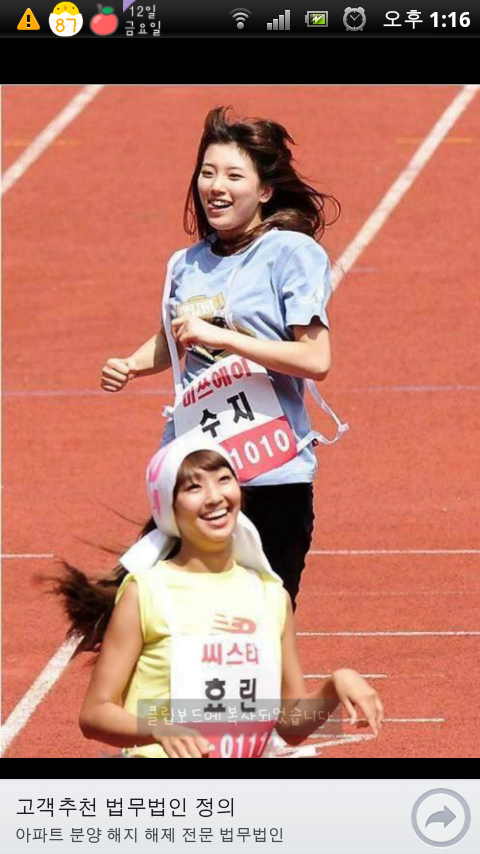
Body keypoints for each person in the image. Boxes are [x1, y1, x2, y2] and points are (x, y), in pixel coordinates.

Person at [101, 105, 348, 609]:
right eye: (207, 173)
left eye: (234, 175)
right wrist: (131, 364)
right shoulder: (185, 264)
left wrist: (226, 337)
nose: (216, 186)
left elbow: (315, 359)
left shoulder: (291, 253)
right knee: (156, 606)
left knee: (259, 620)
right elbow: (173, 338)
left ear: (265, 190)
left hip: (271, 473)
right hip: (198, 470)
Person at [57, 434, 383, 758]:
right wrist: (157, 728)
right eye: (193, 487)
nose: (214, 497)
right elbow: (95, 713)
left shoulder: (271, 596)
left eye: (224, 479)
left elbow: (290, 725)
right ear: (168, 507)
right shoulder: (146, 592)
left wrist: (334, 686)